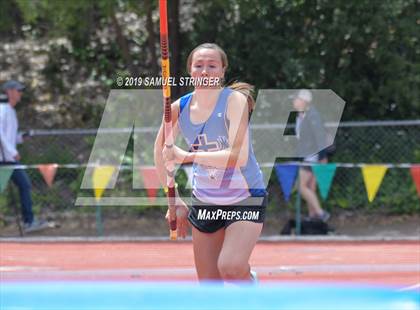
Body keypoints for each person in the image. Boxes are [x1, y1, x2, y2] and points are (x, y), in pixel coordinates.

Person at [154, 43, 266, 282]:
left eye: (212, 65)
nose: (205, 71)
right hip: (206, 201)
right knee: (209, 287)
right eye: (199, 65)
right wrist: (174, 199)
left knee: (231, 267)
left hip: (245, 197)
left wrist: (189, 156)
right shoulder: (178, 108)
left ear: (222, 70)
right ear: (191, 71)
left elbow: (238, 155)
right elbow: (160, 151)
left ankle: (250, 283)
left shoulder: (234, 101)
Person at [0, 80, 48, 233]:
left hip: (8, 160)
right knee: (24, 184)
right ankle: (29, 221)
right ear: (9, 92)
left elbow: (9, 136)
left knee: (24, 184)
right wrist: (12, 152)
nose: (21, 93)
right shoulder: (2, 109)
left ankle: (29, 222)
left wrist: (22, 137)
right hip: (4, 160)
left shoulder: (11, 111)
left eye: (21, 90)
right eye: (18, 90)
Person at [293, 89, 330, 222]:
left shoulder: (312, 115)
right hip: (307, 155)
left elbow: (320, 137)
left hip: (312, 156)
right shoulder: (300, 116)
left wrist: (322, 157)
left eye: (296, 99)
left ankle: (320, 213)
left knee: (301, 186)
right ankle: (313, 216)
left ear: (304, 101)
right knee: (310, 187)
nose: (294, 101)